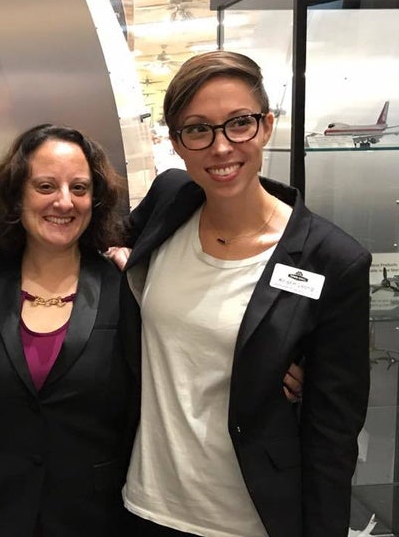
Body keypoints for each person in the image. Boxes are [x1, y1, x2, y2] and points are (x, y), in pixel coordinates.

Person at [120, 50, 371, 536]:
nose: (221, 147)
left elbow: (332, 433)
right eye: (198, 129)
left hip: (248, 518)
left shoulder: (331, 259)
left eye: (239, 123)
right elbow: (95, 244)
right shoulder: (170, 200)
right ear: (177, 141)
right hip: (144, 506)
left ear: (266, 125)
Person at [0, 124, 138, 536]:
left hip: (95, 518)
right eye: (45, 185)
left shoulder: (125, 287)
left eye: (79, 187)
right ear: (18, 193)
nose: (64, 201)